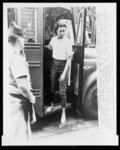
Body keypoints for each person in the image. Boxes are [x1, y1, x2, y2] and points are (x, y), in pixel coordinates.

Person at [7, 21, 36, 144]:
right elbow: (23, 87)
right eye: (23, 38)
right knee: (20, 138)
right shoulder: (16, 58)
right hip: (18, 104)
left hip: (11, 101)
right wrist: (32, 98)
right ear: (19, 40)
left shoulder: (8, 54)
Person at [45, 21, 73, 125]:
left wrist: (64, 74)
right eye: (60, 31)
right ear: (56, 31)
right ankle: (51, 105)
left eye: (63, 31)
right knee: (52, 86)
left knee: (62, 91)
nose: (62, 33)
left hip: (63, 65)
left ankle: (63, 112)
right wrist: (43, 46)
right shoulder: (53, 39)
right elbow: (50, 47)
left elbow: (69, 60)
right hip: (54, 64)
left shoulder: (68, 41)